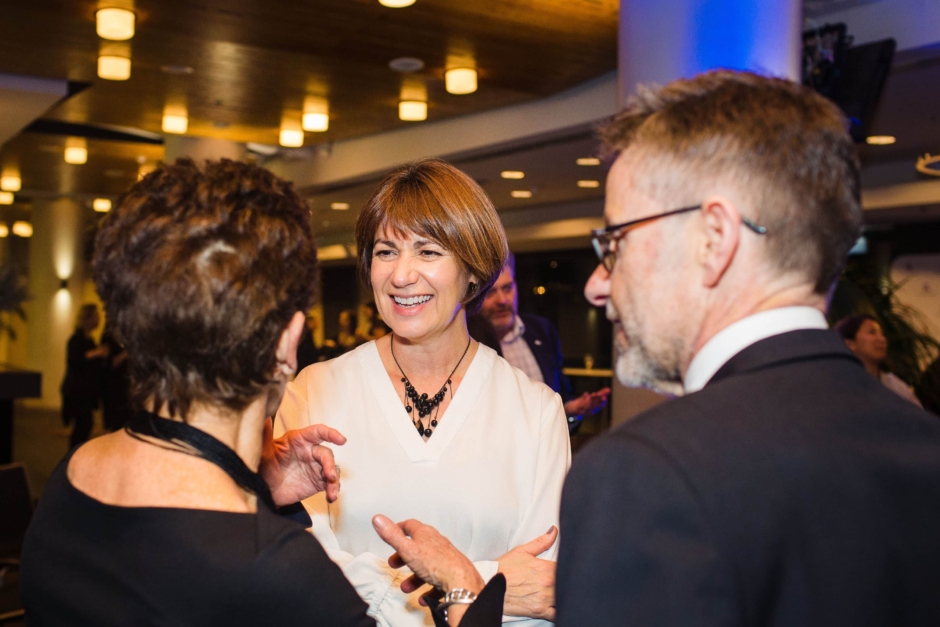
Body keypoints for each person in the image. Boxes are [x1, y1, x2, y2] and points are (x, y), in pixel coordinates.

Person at [20, 159, 505, 627]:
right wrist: (465, 588)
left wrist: (258, 486)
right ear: (287, 343)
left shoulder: (70, 478)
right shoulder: (277, 567)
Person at [553, 71, 940, 625]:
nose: (596, 284)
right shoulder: (925, 443)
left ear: (714, 239)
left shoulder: (644, 473)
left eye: (615, 241)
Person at [276, 158, 568, 627]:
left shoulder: (535, 411)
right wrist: (478, 585)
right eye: (386, 251)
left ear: (473, 270)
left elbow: (539, 593)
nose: (401, 275)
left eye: (428, 251)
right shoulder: (314, 391)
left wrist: (388, 590)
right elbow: (299, 570)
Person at [476, 253, 610, 431]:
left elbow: (560, 396)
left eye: (507, 288)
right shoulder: (470, 344)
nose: (502, 300)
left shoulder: (542, 330)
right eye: (490, 292)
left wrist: (572, 410)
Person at [834, 313, 924, 407]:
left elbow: (919, 414)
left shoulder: (894, 384)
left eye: (882, 334)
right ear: (850, 344)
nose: (881, 339)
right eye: (872, 332)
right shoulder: (840, 387)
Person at [60, 303, 109, 448]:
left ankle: (75, 454)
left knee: (85, 426)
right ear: (87, 319)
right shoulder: (76, 339)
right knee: (82, 426)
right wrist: (97, 353)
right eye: (95, 316)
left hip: (86, 393)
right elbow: (76, 359)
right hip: (77, 392)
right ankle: (73, 455)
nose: (98, 320)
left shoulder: (90, 340)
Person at [99, 325, 133, 432]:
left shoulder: (128, 335)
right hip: (113, 386)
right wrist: (126, 353)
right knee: (117, 422)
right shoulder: (108, 337)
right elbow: (109, 363)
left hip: (126, 385)